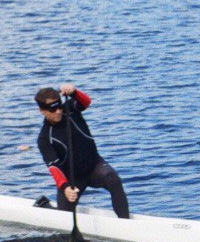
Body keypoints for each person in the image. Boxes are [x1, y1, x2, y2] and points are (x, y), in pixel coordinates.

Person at [33, 83, 130, 219]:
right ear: (42, 111)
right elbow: (54, 167)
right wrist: (65, 188)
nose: (58, 111)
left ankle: (125, 222)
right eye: (52, 109)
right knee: (65, 217)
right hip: (72, 178)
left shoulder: (70, 109)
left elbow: (86, 102)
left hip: (94, 166)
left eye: (59, 106)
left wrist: (74, 92)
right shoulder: (44, 138)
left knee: (113, 179)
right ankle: (44, 205)